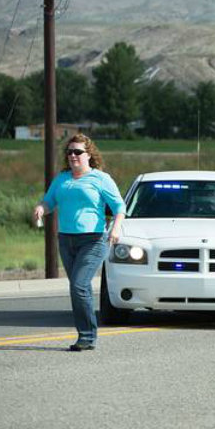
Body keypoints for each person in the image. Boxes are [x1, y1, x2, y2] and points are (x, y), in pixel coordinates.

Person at [32, 134, 126, 352]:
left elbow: (119, 207)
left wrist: (116, 228)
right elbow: (49, 202)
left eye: (78, 152)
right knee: (76, 289)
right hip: (66, 240)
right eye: (70, 152)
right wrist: (40, 209)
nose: (73, 156)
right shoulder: (62, 179)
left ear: (89, 155)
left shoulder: (100, 178)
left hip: (93, 239)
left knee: (79, 285)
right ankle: (86, 334)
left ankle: (87, 336)